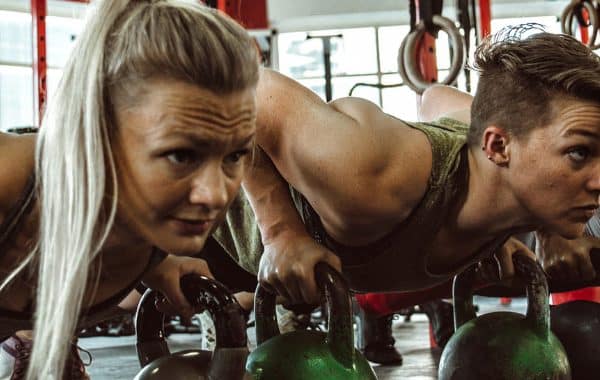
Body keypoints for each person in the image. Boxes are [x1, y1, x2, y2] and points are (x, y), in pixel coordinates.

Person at [210, 23, 600, 330]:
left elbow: (434, 98)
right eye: (580, 153)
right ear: (497, 147)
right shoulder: (366, 179)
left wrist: (535, 232)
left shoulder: (489, 141)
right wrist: (280, 232)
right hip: (207, 230)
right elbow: (238, 88)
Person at [0, 0, 259, 379]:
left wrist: (158, 266)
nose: (217, 196)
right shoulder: (9, 184)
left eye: (235, 155)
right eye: (180, 155)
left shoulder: (152, 241)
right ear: (98, 130)